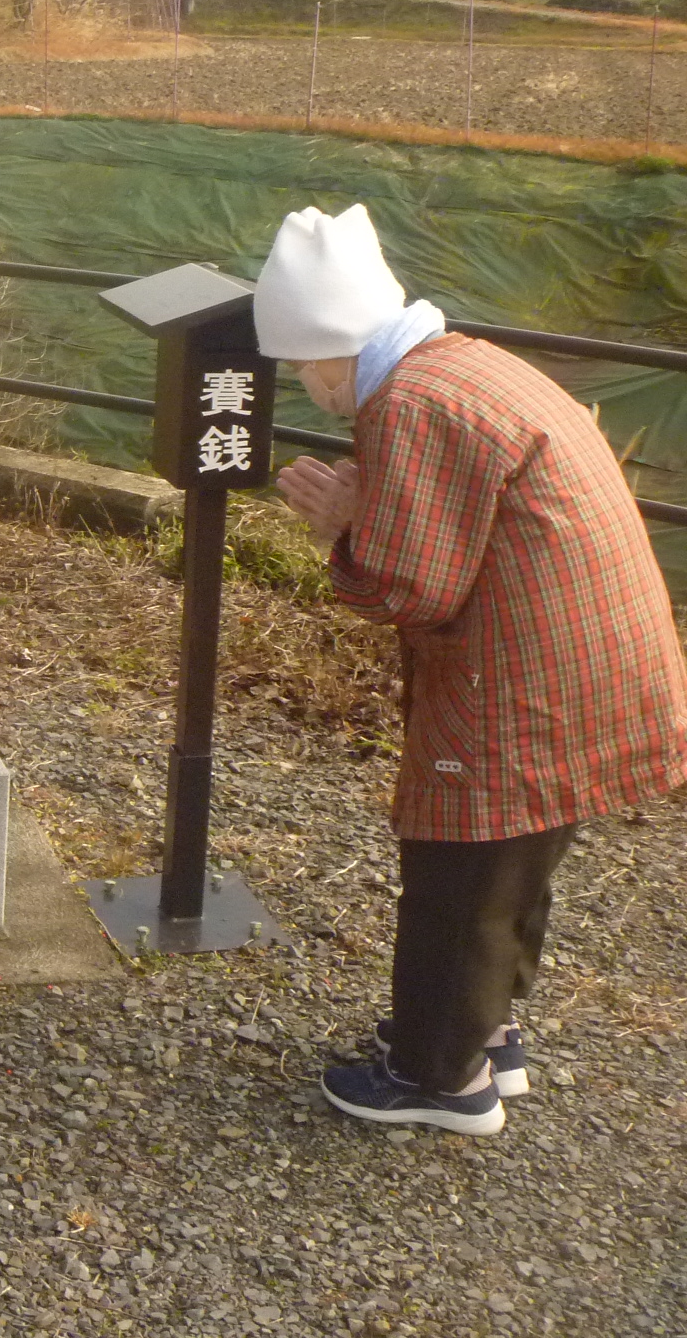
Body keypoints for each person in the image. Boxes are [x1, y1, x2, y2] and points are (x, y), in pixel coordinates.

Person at [260, 203, 687, 1137]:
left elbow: (410, 587)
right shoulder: (465, 362)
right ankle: (485, 1030)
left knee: (462, 866)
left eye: (301, 368)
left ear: (333, 350)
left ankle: (439, 1078)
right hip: (589, 656)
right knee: (519, 860)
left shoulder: (410, 402)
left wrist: (342, 533)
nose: (306, 387)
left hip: (524, 677)